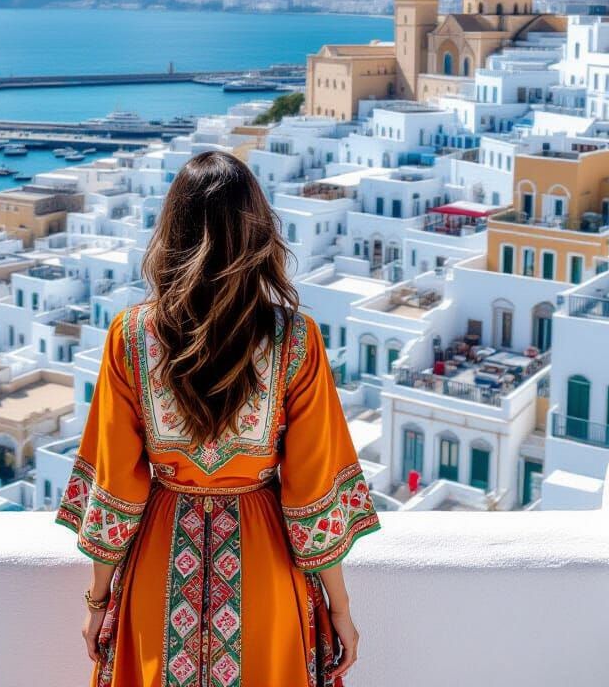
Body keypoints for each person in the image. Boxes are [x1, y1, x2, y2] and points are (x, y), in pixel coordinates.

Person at [56, 150, 380, 686]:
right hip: (267, 569)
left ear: (172, 231)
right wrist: (338, 608)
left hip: (158, 566)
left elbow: (116, 487)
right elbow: (311, 493)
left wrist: (99, 598)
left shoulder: (131, 337)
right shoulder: (296, 340)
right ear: (257, 232)